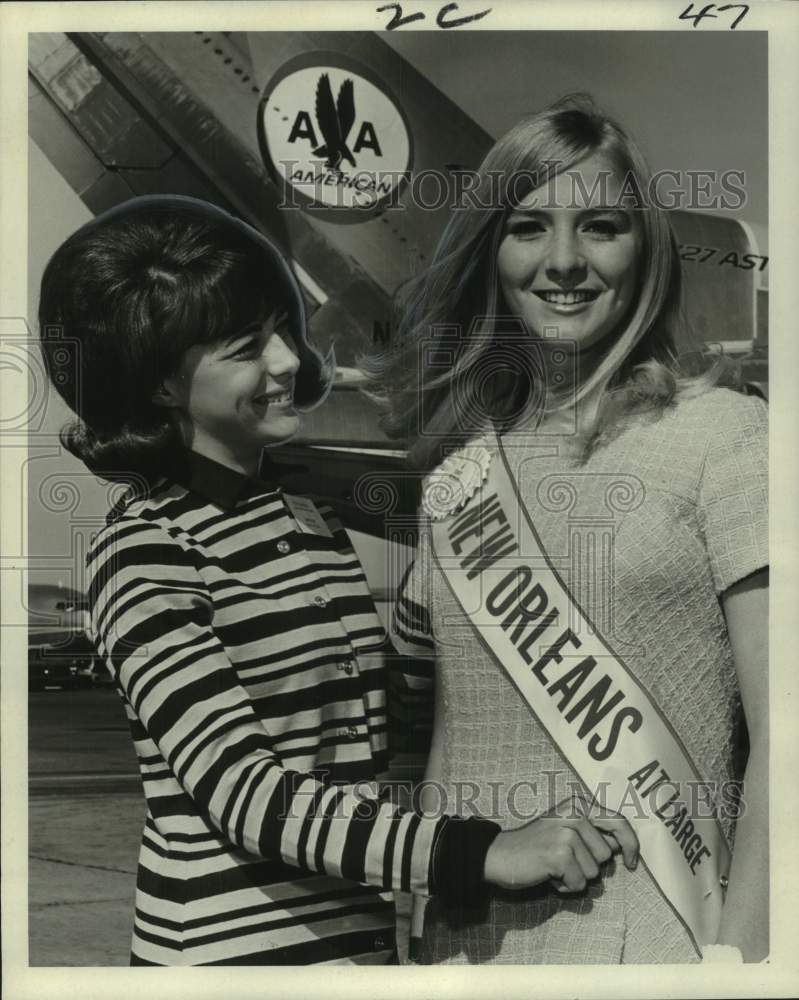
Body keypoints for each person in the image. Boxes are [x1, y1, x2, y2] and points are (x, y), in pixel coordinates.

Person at [37, 195, 639, 966]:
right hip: (231, 962)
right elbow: (245, 794)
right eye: (244, 347)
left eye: (283, 330)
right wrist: (487, 852)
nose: (288, 361)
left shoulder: (301, 519)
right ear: (157, 384)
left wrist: (447, 582)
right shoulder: (144, 552)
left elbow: (376, 722)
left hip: (350, 949)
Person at [371, 95, 768, 964]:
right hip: (465, 946)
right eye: (526, 228)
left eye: (599, 227)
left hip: (654, 942)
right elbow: (448, 731)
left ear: (646, 251)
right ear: (491, 253)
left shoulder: (726, 438)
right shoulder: (459, 473)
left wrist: (743, 968)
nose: (563, 262)